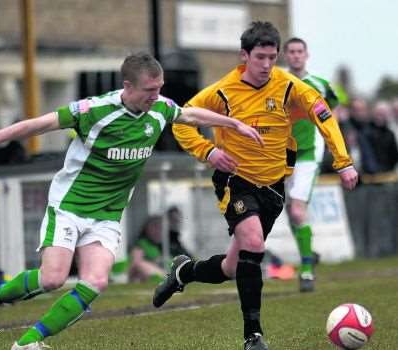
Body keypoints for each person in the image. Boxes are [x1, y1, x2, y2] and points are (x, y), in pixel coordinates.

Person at [0, 52, 264, 350]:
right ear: (127, 86)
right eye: (149, 90)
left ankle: (28, 341)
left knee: (95, 281)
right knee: (53, 278)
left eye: (159, 89)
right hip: (70, 206)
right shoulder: (93, 111)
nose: (155, 96)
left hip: (107, 215)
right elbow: (39, 124)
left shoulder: (160, 108)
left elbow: (188, 114)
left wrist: (233, 123)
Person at [153, 22, 358, 350]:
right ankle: (254, 335)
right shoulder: (222, 91)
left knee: (233, 267)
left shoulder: (290, 86)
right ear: (244, 56)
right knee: (253, 243)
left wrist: (343, 161)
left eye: (272, 58)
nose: (266, 65)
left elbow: (324, 116)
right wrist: (210, 151)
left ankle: (183, 273)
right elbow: (182, 120)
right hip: (235, 180)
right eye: (260, 57)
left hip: (274, 186)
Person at [282, 37, 341, 292]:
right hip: (281, 153)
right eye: (291, 52)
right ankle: (309, 254)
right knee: (286, 209)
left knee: (296, 211)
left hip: (308, 152)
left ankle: (306, 270)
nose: (295, 56)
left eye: (299, 51)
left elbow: (333, 106)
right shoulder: (277, 82)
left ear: (306, 55)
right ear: (285, 56)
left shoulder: (319, 84)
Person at [128, 215, 166, 282]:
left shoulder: (163, 246)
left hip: (162, 274)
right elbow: (136, 264)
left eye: (160, 228)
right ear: (146, 229)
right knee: (142, 265)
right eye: (155, 227)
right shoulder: (141, 244)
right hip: (147, 275)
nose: (158, 231)